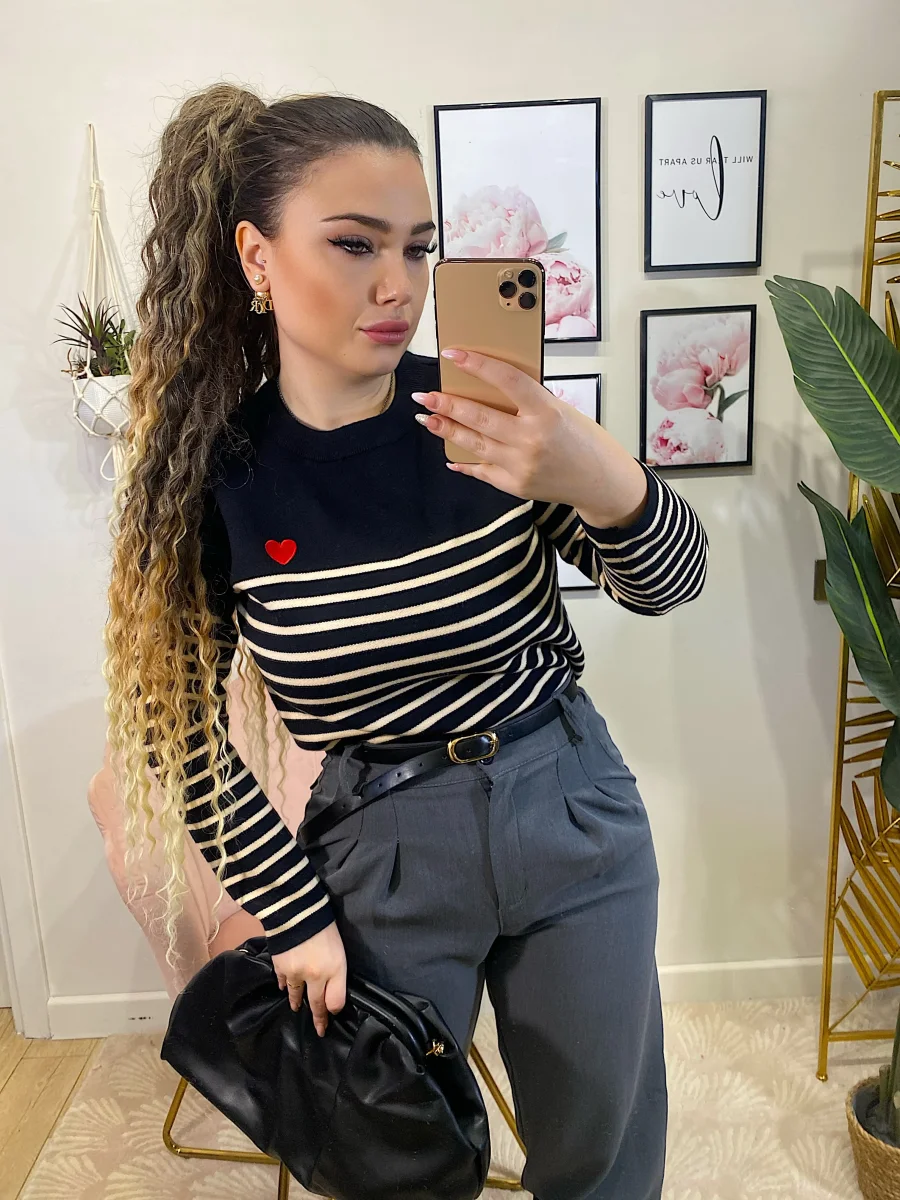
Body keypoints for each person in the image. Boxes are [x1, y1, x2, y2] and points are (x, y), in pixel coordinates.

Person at [104, 81, 708, 1200]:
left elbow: (671, 584)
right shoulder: (221, 476)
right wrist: (293, 913)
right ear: (256, 257)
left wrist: (599, 475)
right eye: (355, 244)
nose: (400, 286)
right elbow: (172, 729)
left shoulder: (481, 417)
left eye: (419, 248)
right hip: (380, 848)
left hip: (569, 802)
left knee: (605, 1159)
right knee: (396, 1170)